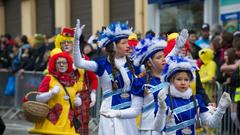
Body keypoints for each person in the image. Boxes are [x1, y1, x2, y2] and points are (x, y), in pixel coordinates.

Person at [100, 29, 188, 135]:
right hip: (149, 130)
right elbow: (135, 110)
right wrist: (116, 112)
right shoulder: (140, 83)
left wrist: (177, 48)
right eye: (159, 57)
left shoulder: (167, 77)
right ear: (149, 63)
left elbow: (168, 60)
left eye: (163, 56)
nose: (163, 59)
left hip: (169, 128)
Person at [73, 19, 139, 135]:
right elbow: (79, 63)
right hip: (110, 116)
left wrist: (175, 50)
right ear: (114, 46)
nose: (128, 45)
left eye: (127, 42)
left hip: (128, 115)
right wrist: (76, 41)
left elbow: (159, 67)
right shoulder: (102, 65)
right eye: (123, 43)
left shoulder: (133, 63)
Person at [153, 55, 231, 135]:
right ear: (172, 81)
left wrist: (221, 109)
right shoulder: (165, 100)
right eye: (179, 79)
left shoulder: (196, 99)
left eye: (186, 79)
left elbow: (211, 123)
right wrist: (162, 109)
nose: (183, 82)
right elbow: (158, 128)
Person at [55, 27, 98, 135]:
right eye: (63, 42)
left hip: (82, 97)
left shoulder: (84, 58)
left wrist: (93, 92)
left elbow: (93, 77)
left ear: (74, 43)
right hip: (63, 98)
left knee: (81, 129)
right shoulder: (56, 59)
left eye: (68, 42)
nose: (66, 44)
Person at [28, 50, 84, 135]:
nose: (61, 65)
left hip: (68, 124)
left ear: (68, 64)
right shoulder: (49, 78)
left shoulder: (73, 82)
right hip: (52, 122)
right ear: (54, 64)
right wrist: (51, 93)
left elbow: (74, 98)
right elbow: (38, 98)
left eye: (64, 62)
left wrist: (78, 101)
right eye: (58, 63)